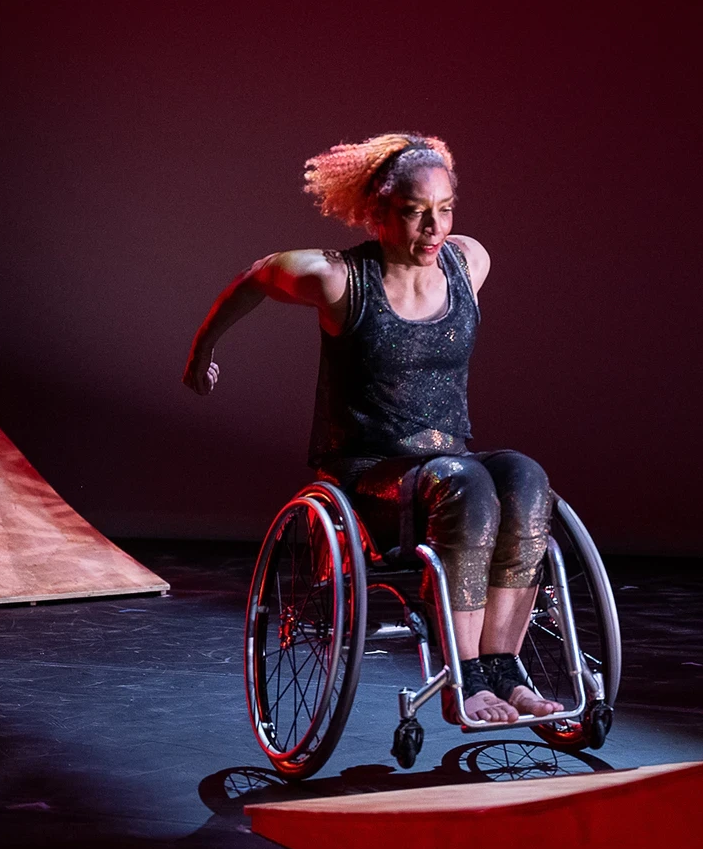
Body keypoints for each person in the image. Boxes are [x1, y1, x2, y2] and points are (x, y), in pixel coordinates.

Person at [184, 132, 562, 725]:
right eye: (415, 214)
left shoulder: (468, 263)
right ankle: (462, 679)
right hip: (370, 477)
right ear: (376, 213)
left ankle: (503, 668)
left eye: (444, 210)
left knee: (524, 475)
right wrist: (202, 348)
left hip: (447, 465)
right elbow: (257, 277)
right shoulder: (339, 281)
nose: (434, 229)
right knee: (466, 484)